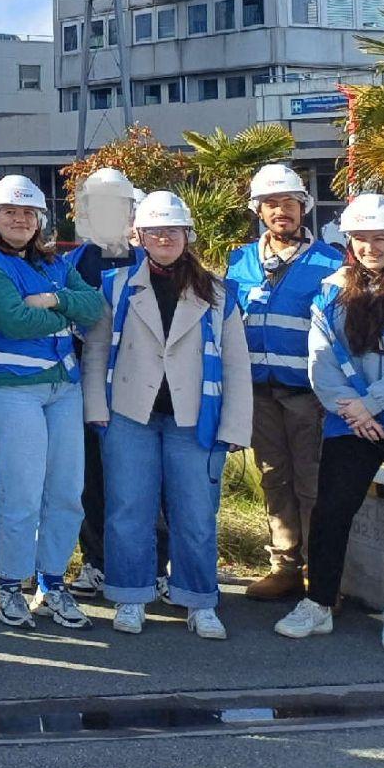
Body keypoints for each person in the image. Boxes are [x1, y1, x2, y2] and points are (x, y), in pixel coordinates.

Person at [277, 194, 384, 652]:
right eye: (361, 239)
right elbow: (321, 363)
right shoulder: (330, 294)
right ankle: (318, 604)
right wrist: (352, 409)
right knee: (331, 513)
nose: (371, 247)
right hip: (349, 423)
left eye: (380, 238)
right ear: (349, 243)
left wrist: (371, 404)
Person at [87, 190, 251, 639]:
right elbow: (97, 350)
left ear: (187, 235)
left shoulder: (218, 293)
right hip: (128, 416)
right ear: (138, 235)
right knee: (127, 511)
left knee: (196, 514)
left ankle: (198, 600)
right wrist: (96, 410)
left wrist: (235, 425)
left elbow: (237, 364)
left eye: (172, 230)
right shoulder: (115, 286)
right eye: (155, 230)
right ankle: (130, 595)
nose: (164, 237)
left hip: (194, 420)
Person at [0, 176, 104, 630]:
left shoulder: (55, 265)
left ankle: (52, 584)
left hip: (63, 388)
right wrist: (64, 312)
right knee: (20, 491)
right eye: (10, 212)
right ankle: (11, 585)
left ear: (40, 220)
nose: (20, 220)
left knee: (67, 492)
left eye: (28, 214)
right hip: (10, 389)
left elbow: (95, 306)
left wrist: (54, 299)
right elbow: (13, 320)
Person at [229, 163, 344, 601]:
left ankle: (322, 572)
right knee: (274, 479)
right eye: (272, 204)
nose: (282, 211)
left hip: (309, 395)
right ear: (258, 210)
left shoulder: (330, 263)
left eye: (290, 204)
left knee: (312, 483)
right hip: (260, 393)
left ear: (303, 208)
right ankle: (285, 567)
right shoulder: (239, 260)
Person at [61, 167, 142, 597]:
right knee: (91, 479)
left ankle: (151, 565)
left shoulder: (152, 257)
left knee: (145, 482)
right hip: (87, 386)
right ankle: (95, 562)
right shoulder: (70, 263)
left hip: (143, 390)